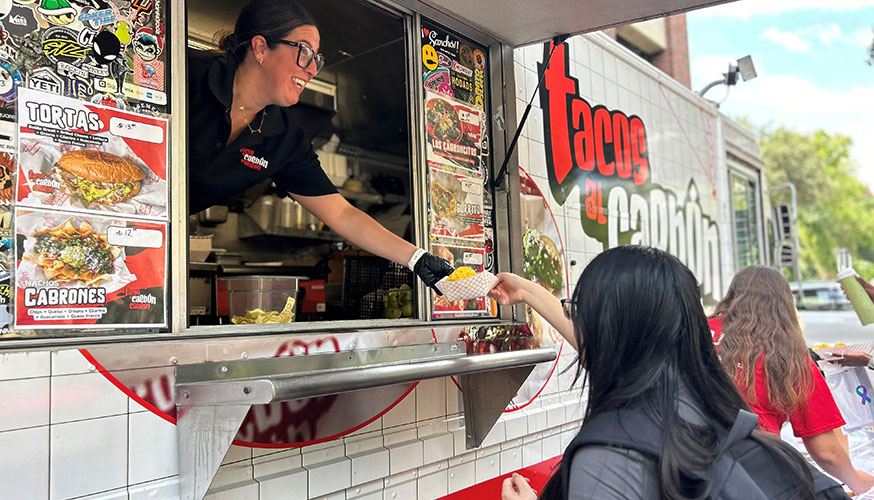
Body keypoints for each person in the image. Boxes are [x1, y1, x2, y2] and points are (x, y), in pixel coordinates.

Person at [489, 246, 819, 500]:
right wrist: (527, 293)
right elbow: (598, 349)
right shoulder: (714, 416)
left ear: (615, 335)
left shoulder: (611, 455)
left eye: (584, 314)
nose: (580, 326)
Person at [187, 0, 452, 292]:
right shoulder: (186, 73)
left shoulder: (285, 139)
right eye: (303, 51)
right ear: (261, 48)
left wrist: (417, 259)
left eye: (317, 58)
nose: (312, 69)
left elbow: (342, 213)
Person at [710, 266, 874, 495]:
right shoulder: (787, 355)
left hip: (686, 457)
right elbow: (826, 452)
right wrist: (857, 482)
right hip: (753, 466)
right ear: (783, 306)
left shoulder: (698, 333)